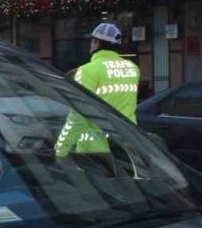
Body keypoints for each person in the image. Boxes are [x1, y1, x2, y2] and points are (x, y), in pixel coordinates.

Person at [55, 22, 140, 158]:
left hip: (96, 151)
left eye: (92, 41)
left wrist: (60, 149)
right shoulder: (133, 68)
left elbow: (78, 116)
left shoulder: (88, 71)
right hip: (128, 146)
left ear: (96, 43)